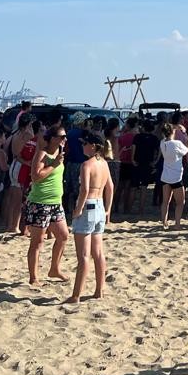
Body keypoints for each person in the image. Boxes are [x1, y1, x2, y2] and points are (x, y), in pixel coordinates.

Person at [64, 128, 113, 307]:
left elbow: (84, 190)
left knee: (84, 255)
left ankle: (76, 295)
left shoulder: (87, 165)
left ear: (93, 146)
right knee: (98, 252)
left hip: (88, 205)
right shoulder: (104, 163)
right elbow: (111, 187)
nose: (82, 146)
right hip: (99, 205)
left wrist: (77, 210)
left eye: (85, 143)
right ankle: (99, 290)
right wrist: (108, 210)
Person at [23, 124, 69, 285]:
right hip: (40, 202)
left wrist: (57, 162)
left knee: (63, 236)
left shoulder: (60, 153)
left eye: (65, 137)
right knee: (37, 241)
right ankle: (33, 277)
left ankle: (54, 269)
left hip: (56, 202)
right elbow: (35, 176)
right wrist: (54, 164)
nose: (65, 139)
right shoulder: (42, 154)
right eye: (62, 137)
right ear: (53, 138)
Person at [159, 119, 188, 227]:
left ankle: (164, 222)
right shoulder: (177, 143)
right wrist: (187, 136)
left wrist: (175, 128)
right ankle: (177, 223)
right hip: (176, 176)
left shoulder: (163, 143)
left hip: (166, 176)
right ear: (173, 132)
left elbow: (167, 134)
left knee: (165, 202)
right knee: (180, 202)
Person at [133, 119, 161, 214]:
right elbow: (159, 150)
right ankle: (141, 209)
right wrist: (156, 161)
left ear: (143, 127)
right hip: (148, 163)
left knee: (133, 186)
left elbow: (134, 148)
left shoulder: (137, 137)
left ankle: (127, 207)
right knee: (144, 187)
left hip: (137, 162)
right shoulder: (154, 138)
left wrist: (132, 159)